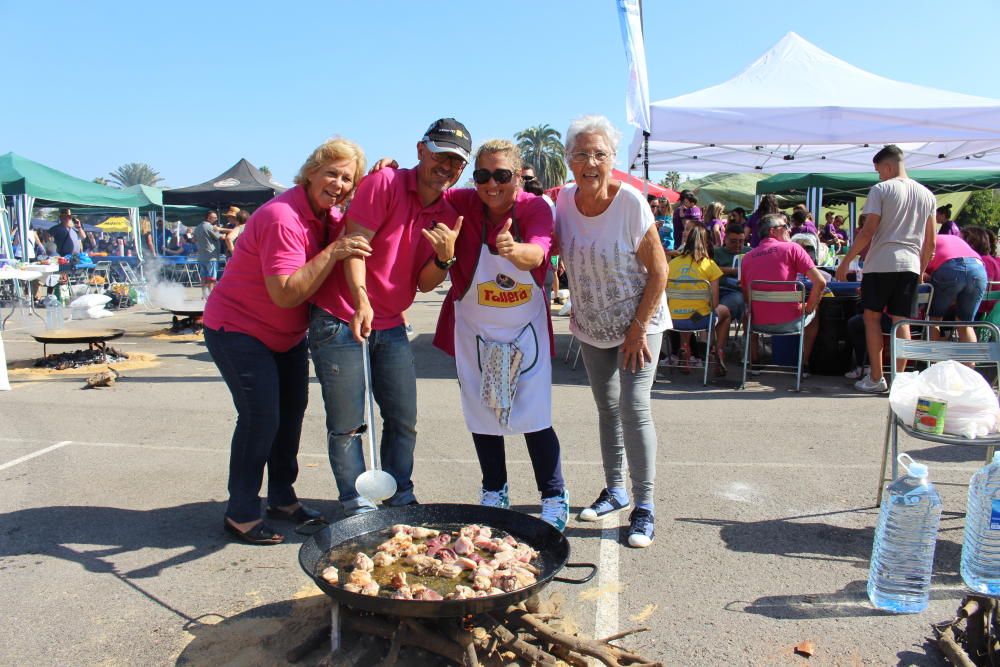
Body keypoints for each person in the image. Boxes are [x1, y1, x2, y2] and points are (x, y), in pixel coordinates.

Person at [203, 137, 370, 545]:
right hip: (238, 329)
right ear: (310, 172)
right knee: (261, 417)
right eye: (331, 172)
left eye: (347, 178)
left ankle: (281, 498)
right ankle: (240, 512)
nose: (338, 183)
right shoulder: (283, 217)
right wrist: (332, 252)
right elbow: (285, 294)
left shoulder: (326, 214)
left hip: (285, 336)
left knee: (290, 414)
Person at [309, 118, 471, 515]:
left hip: (392, 324)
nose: (446, 167)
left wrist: (445, 257)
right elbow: (355, 245)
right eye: (440, 155)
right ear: (421, 150)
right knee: (348, 423)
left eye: (456, 162)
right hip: (341, 317)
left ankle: (399, 494)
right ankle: (357, 501)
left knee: (403, 419)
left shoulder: (448, 211)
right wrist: (361, 300)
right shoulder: (385, 183)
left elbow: (424, 284)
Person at [428, 139, 569, 530]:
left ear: (518, 177)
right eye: (483, 175)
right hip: (474, 327)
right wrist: (386, 176)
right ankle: (494, 490)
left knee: (534, 413)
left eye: (502, 176)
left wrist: (513, 249)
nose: (492, 185)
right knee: (481, 411)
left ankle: (554, 494)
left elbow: (538, 254)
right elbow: (425, 190)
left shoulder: (534, 207)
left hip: (525, 329)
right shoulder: (461, 202)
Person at [555, 115, 669, 548]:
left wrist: (639, 329)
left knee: (634, 405)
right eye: (581, 154)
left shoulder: (631, 203)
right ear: (568, 160)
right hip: (591, 324)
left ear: (612, 160)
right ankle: (616, 489)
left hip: (639, 323)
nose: (590, 162)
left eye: (599, 154)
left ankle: (644, 505)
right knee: (606, 406)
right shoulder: (563, 202)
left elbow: (659, 271)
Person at [835, 145, 936, 394]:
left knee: (871, 318)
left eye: (878, 169)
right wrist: (920, 269)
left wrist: (846, 260)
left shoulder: (881, 189)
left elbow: (867, 231)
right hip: (910, 264)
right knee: (902, 320)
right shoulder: (927, 195)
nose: (878, 174)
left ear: (888, 166)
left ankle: (876, 377)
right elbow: (930, 242)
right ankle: (900, 381)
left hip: (881, 263)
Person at [741, 214, 827, 373]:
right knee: (816, 312)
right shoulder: (793, 248)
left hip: (758, 322)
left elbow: (746, 296)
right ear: (773, 231)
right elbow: (821, 282)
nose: (789, 230)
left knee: (747, 314)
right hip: (791, 321)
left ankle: (754, 361)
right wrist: (808, 309)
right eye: (785, 227)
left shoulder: (746, 257)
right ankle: (804, 362)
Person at [667, 223, 732, 376]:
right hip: (699, 319)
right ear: (706, 242)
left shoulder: (672, 263)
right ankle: (718, 350)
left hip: (673, 319)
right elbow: (714, 304)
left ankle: (685, 347)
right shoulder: (710, 265)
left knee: (686, 313)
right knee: (725, 312)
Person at [923, 233, 987, 343]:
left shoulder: (924, 240)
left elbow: (920, 272)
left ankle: (934, 359)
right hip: (978, 269)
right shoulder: (953, 238)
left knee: (934, 320)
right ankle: (970, 361)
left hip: (949, 267)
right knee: (965, 325)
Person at [713, 222, 748, 322]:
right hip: (718, 290)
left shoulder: (749, 252)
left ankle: (713, 322)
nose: (738, 245)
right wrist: (734, 271)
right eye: (733, 241)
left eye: (741, 241)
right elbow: (709, 269)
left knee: (732, 301)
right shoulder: (716, 252)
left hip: (739, 293)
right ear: (725, 239)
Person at [962, 226, 1000, 317]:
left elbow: (983, 286)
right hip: (982, 305)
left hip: (981, 307)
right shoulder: (988, 259)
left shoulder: (984, 261)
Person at [194, 211, 224, 294]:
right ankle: (211, 294)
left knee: (204, 277)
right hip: (211, 256)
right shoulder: (210, 227)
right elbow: (221, 237)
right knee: (211, 278)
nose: (216, 219)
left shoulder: (198, 227)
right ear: (208, 218)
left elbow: (193, 240)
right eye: (214, 217)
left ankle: (204, 294)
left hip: (201, 256)